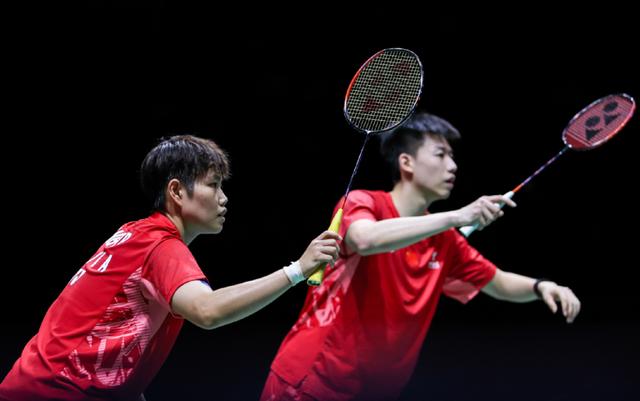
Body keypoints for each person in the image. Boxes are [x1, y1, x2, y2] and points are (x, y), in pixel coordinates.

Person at [260, 112, 582, 401]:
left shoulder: (444, 240)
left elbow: (497, 283)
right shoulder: (363, 202)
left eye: (452, 157)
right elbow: (365, 239)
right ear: (407, 163)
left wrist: (541, 286)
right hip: (312, 381)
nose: (452, 166)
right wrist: (457, 216)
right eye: (440, 155)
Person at [0, 135, 341, 401]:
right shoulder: (160, 247)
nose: (223, 198)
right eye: (213, 185)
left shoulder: (134, 233)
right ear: (176, 190)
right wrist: (297, 270)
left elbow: (111, 330)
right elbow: (207, 311)